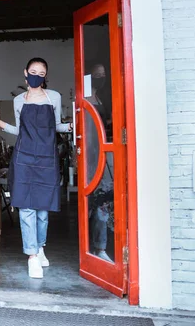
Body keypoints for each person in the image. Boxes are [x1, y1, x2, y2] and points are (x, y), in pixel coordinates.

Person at [0, 58, 71, 279]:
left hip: (47, 158)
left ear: (45, 76)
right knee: (27, 207)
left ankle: (40, 247)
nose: (36, 75)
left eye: (41, 72)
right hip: (24, 157)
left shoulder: (55, 97)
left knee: (42, 209)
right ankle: (31, 256)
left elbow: (56, 125)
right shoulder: (19, 100)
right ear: (25, 72)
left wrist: (72, 126)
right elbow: (20, 129)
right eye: (33, 71)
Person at [85, 63, 114, 263]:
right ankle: (94, 247)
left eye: (103, 74)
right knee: (96, 200)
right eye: (97, 74)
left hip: (105, 153)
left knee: (103, 200)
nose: (100, 77)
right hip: (92, 155)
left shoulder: (100, 98)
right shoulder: (86, 99)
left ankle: (99, 246)